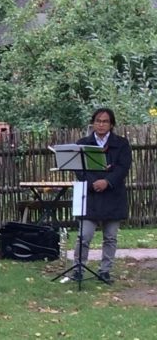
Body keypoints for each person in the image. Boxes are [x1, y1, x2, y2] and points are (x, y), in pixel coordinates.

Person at [73, 108, 131, 284]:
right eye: (98, 120)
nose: (101, 124)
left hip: (113, 195)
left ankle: (105, 271)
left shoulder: (121, 144)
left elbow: (123, 167)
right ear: (93, 123)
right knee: (84, 236)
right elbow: (78, 168)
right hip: (90, 196)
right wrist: (93, 183)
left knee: (110, 237)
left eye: (105, 121)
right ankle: (78, 269)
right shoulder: (83, 143)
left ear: (111, 124)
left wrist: (107, 182)